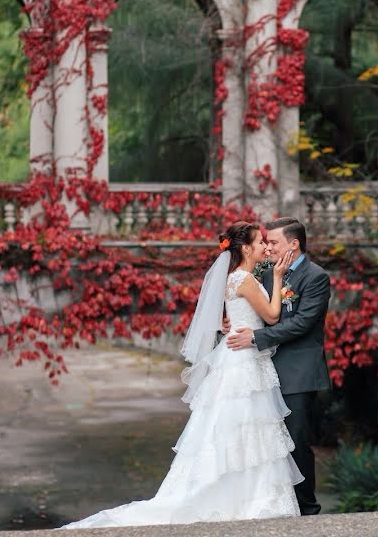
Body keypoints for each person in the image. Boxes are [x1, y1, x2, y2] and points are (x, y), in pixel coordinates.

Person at [62, 221, 301, 528]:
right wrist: (279, 277)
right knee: (248, 426)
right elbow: (271, 315)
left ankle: (236, 492)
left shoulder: (232, 278)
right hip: (245, 361)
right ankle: (249, 497)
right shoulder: (247, 280)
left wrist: (232, 322)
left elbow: (234, 315)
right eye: (259, 243)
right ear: (245, 248)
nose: (265, 248)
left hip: (234, 357)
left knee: (228, 426)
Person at [226, 217, 332, 516]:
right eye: (266, 242)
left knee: (295, 442)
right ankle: (272, 507)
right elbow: (257, 308)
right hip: (263, 371)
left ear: (294, 244)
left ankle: (307, 511)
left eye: (273, 242)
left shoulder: (315, 277)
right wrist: (234, 323)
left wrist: (256, 336)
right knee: (264, 444)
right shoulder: (266, 272)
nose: (268, 247)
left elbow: (301, 323)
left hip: (297, 373)